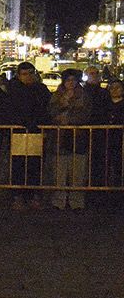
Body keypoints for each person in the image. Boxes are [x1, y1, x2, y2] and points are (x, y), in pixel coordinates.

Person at [3, 62, 51, 210]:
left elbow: (46, 109)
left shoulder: (41, 89)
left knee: (35, 164)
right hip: (19, 132)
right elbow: (10, 110)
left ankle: (33, 195)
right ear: (19, 75)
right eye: (24, 74)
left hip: (35, 131)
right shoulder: (12, 90)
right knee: (18, 164)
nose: (28, 77)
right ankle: (18, 196)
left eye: (31, 73)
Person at [48, 68, 92, 211]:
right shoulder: (57, 95)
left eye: (73, 80)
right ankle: (59, 201)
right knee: (60, 171)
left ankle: (76, 201)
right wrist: (61, 109)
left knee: (77, 171)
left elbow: (86, 114)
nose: (71, 83)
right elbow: (51, 111)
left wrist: (69, 120)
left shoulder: (84, 96)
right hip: (60, 138)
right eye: (68, 80)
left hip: (77, 136)